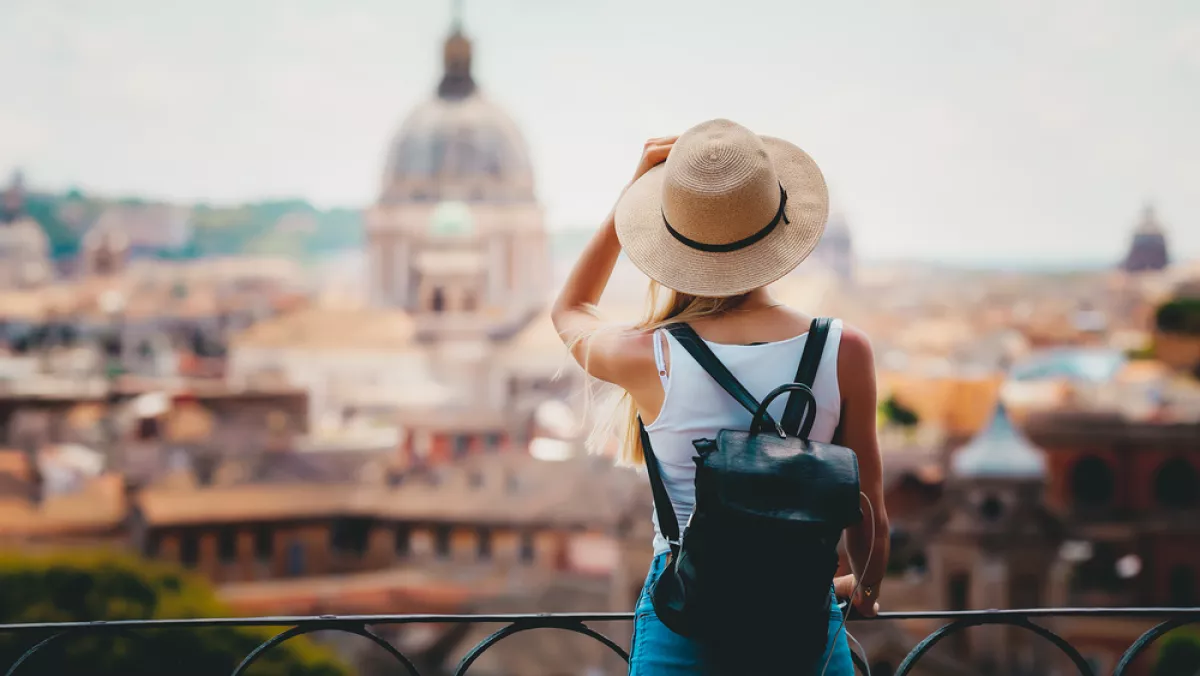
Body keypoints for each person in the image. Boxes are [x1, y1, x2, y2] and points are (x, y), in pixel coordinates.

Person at [551, 119, 890, 675]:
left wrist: (625, 205)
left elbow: (569, 311)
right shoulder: (845, 350)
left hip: (684, 625)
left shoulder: (651, 356)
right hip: (803, 628)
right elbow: (869, 513)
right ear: (777, 227)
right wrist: (868, 592)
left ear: (669, 236)